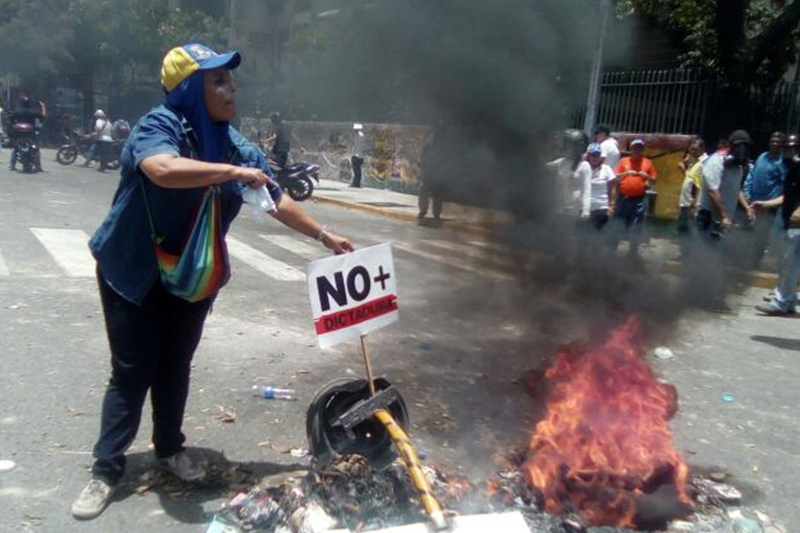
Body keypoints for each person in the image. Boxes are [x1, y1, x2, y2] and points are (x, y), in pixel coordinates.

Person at [71, 43, 353, 520]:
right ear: (188, 89)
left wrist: (324, 235)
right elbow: (161, 169)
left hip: (192, 275)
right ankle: (106, 470)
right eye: (217, 81)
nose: (231, 89)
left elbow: (273, 197)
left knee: (175, 364)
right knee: (132, 370)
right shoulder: (159, 126)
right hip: (133, 270)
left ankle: (168, 449)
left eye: (230, 79)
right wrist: (231, 172)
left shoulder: (231, 142)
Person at [756, 134, 800, 316]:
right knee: (786, 261)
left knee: (791, 263)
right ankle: (786, 299)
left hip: (797, 223)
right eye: (786, 149)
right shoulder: (792, 169)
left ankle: (781, 302)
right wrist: (766, 204)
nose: (787, 152)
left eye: (791, 148)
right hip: (788, 220)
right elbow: (787, 196)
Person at [740, 131, 787, 268]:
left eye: (778, 142)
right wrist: (748, 196)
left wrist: (771, 203)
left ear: (782, 144)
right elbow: (751, 177)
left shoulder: (782, 162)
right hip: (752, 204)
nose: (774, 143)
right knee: (748, 234)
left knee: (762, 238)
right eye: (773, 140)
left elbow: (785, 187)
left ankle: (756, 265)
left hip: (769, 207)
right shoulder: (762, 157)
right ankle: (746, 263)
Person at [611, 138, 657, 258]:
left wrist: (646, 176)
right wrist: (625, 174)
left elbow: (654, 180)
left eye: (639, 148)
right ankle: (612, 251)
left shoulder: (647, 162)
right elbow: (615, 177)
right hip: (623, 199)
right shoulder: (623, 161)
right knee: (617, 224)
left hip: (638, 200)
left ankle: (632, 253)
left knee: (635, 227)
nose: (637, 150)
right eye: (635, 148)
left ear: (642, 150)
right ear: (631, 149)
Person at [577, 142, 617, 230]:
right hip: (583, 208)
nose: (595, 157)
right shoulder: (581, 168)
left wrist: (611, 206)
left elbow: (612, 188)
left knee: (596, 237)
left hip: (600, 208)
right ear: (588, 156)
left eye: (597, 155)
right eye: (592, 155)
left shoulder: (606, 169)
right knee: (579, 237)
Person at [677, 139, 707, 233]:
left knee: (689, 233)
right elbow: (690, 179)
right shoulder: (694, 162)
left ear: (702, 149)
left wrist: (693, 206)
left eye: (694, 149)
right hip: (685, 204)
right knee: (683, 232)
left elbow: (699, 185)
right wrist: (684, 165)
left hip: (691, 205)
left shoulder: (703, 163)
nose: (692, 151)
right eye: (691, 149)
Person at [7, 94, 44, 171]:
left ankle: (12, 165)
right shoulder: (33, 112)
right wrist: (43, 107)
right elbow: (42, 116)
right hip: (30, 135)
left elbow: (10, 119)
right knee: (36, 148)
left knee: (16, 148)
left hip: (19, 135)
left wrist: (13, 125)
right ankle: (38, 166)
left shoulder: (17, 111)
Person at [350, 123, 365, 188]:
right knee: (356, 170)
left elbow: (356, 146)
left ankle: (357, 183)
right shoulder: (359, 135)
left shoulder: (359, 135)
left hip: (357, 155)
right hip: (358, 155)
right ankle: (355, 182)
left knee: (356, 170)